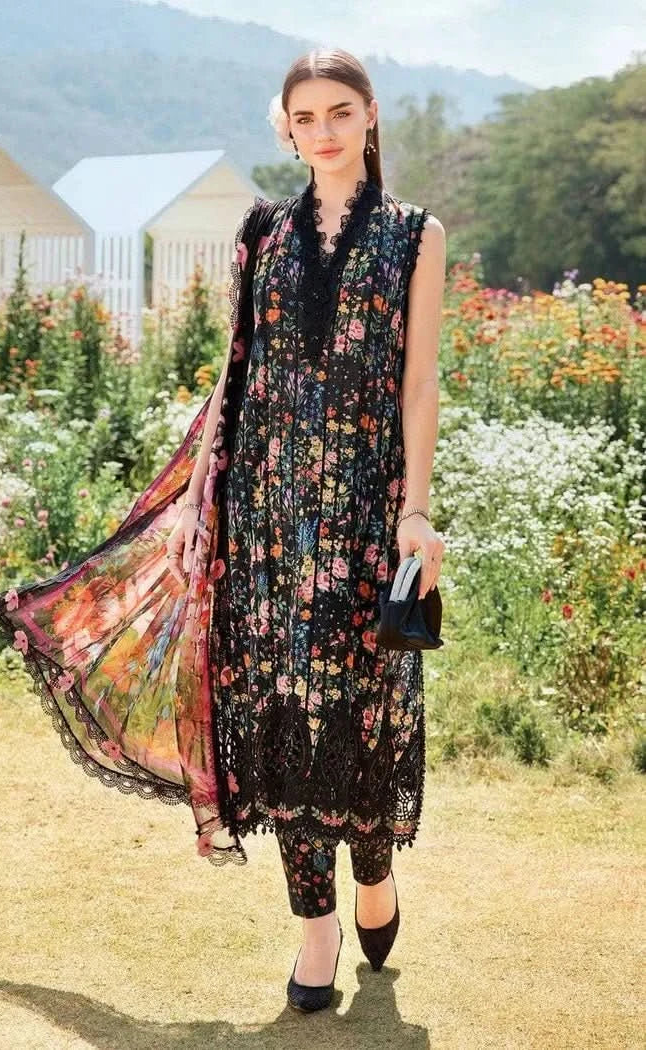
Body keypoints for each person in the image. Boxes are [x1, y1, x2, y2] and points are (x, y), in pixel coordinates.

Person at [166, 48, 447, 1011]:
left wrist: (414, 509)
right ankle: (315, 925)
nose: (322, 131)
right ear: (284, 129)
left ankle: (375, 869)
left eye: (339, 112)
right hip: (268, 516)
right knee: (283, 711)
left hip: (367, 509)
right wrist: (199, 500)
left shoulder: (416, 235)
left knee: (363, 707)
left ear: (369, 116)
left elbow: (418, 382)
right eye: (304, 117)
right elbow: (233, 373)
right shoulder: (261, 231)